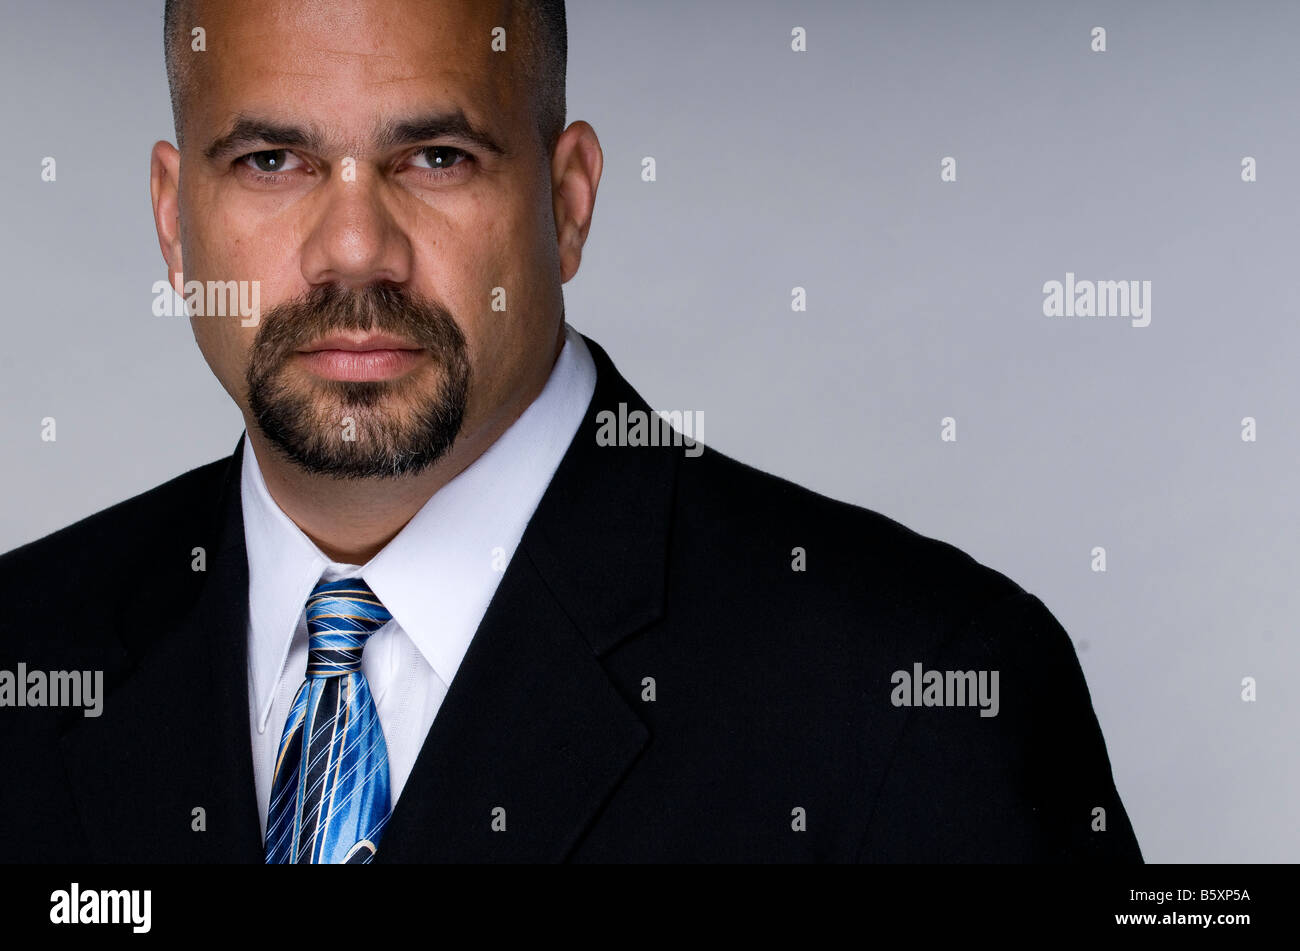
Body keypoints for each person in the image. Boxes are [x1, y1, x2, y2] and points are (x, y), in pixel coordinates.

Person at [0, 0, 1141, 863]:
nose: (354, 248)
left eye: (435, 158)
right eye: (271, 161)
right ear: (172, 219)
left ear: (569, 200)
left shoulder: (918, 692)